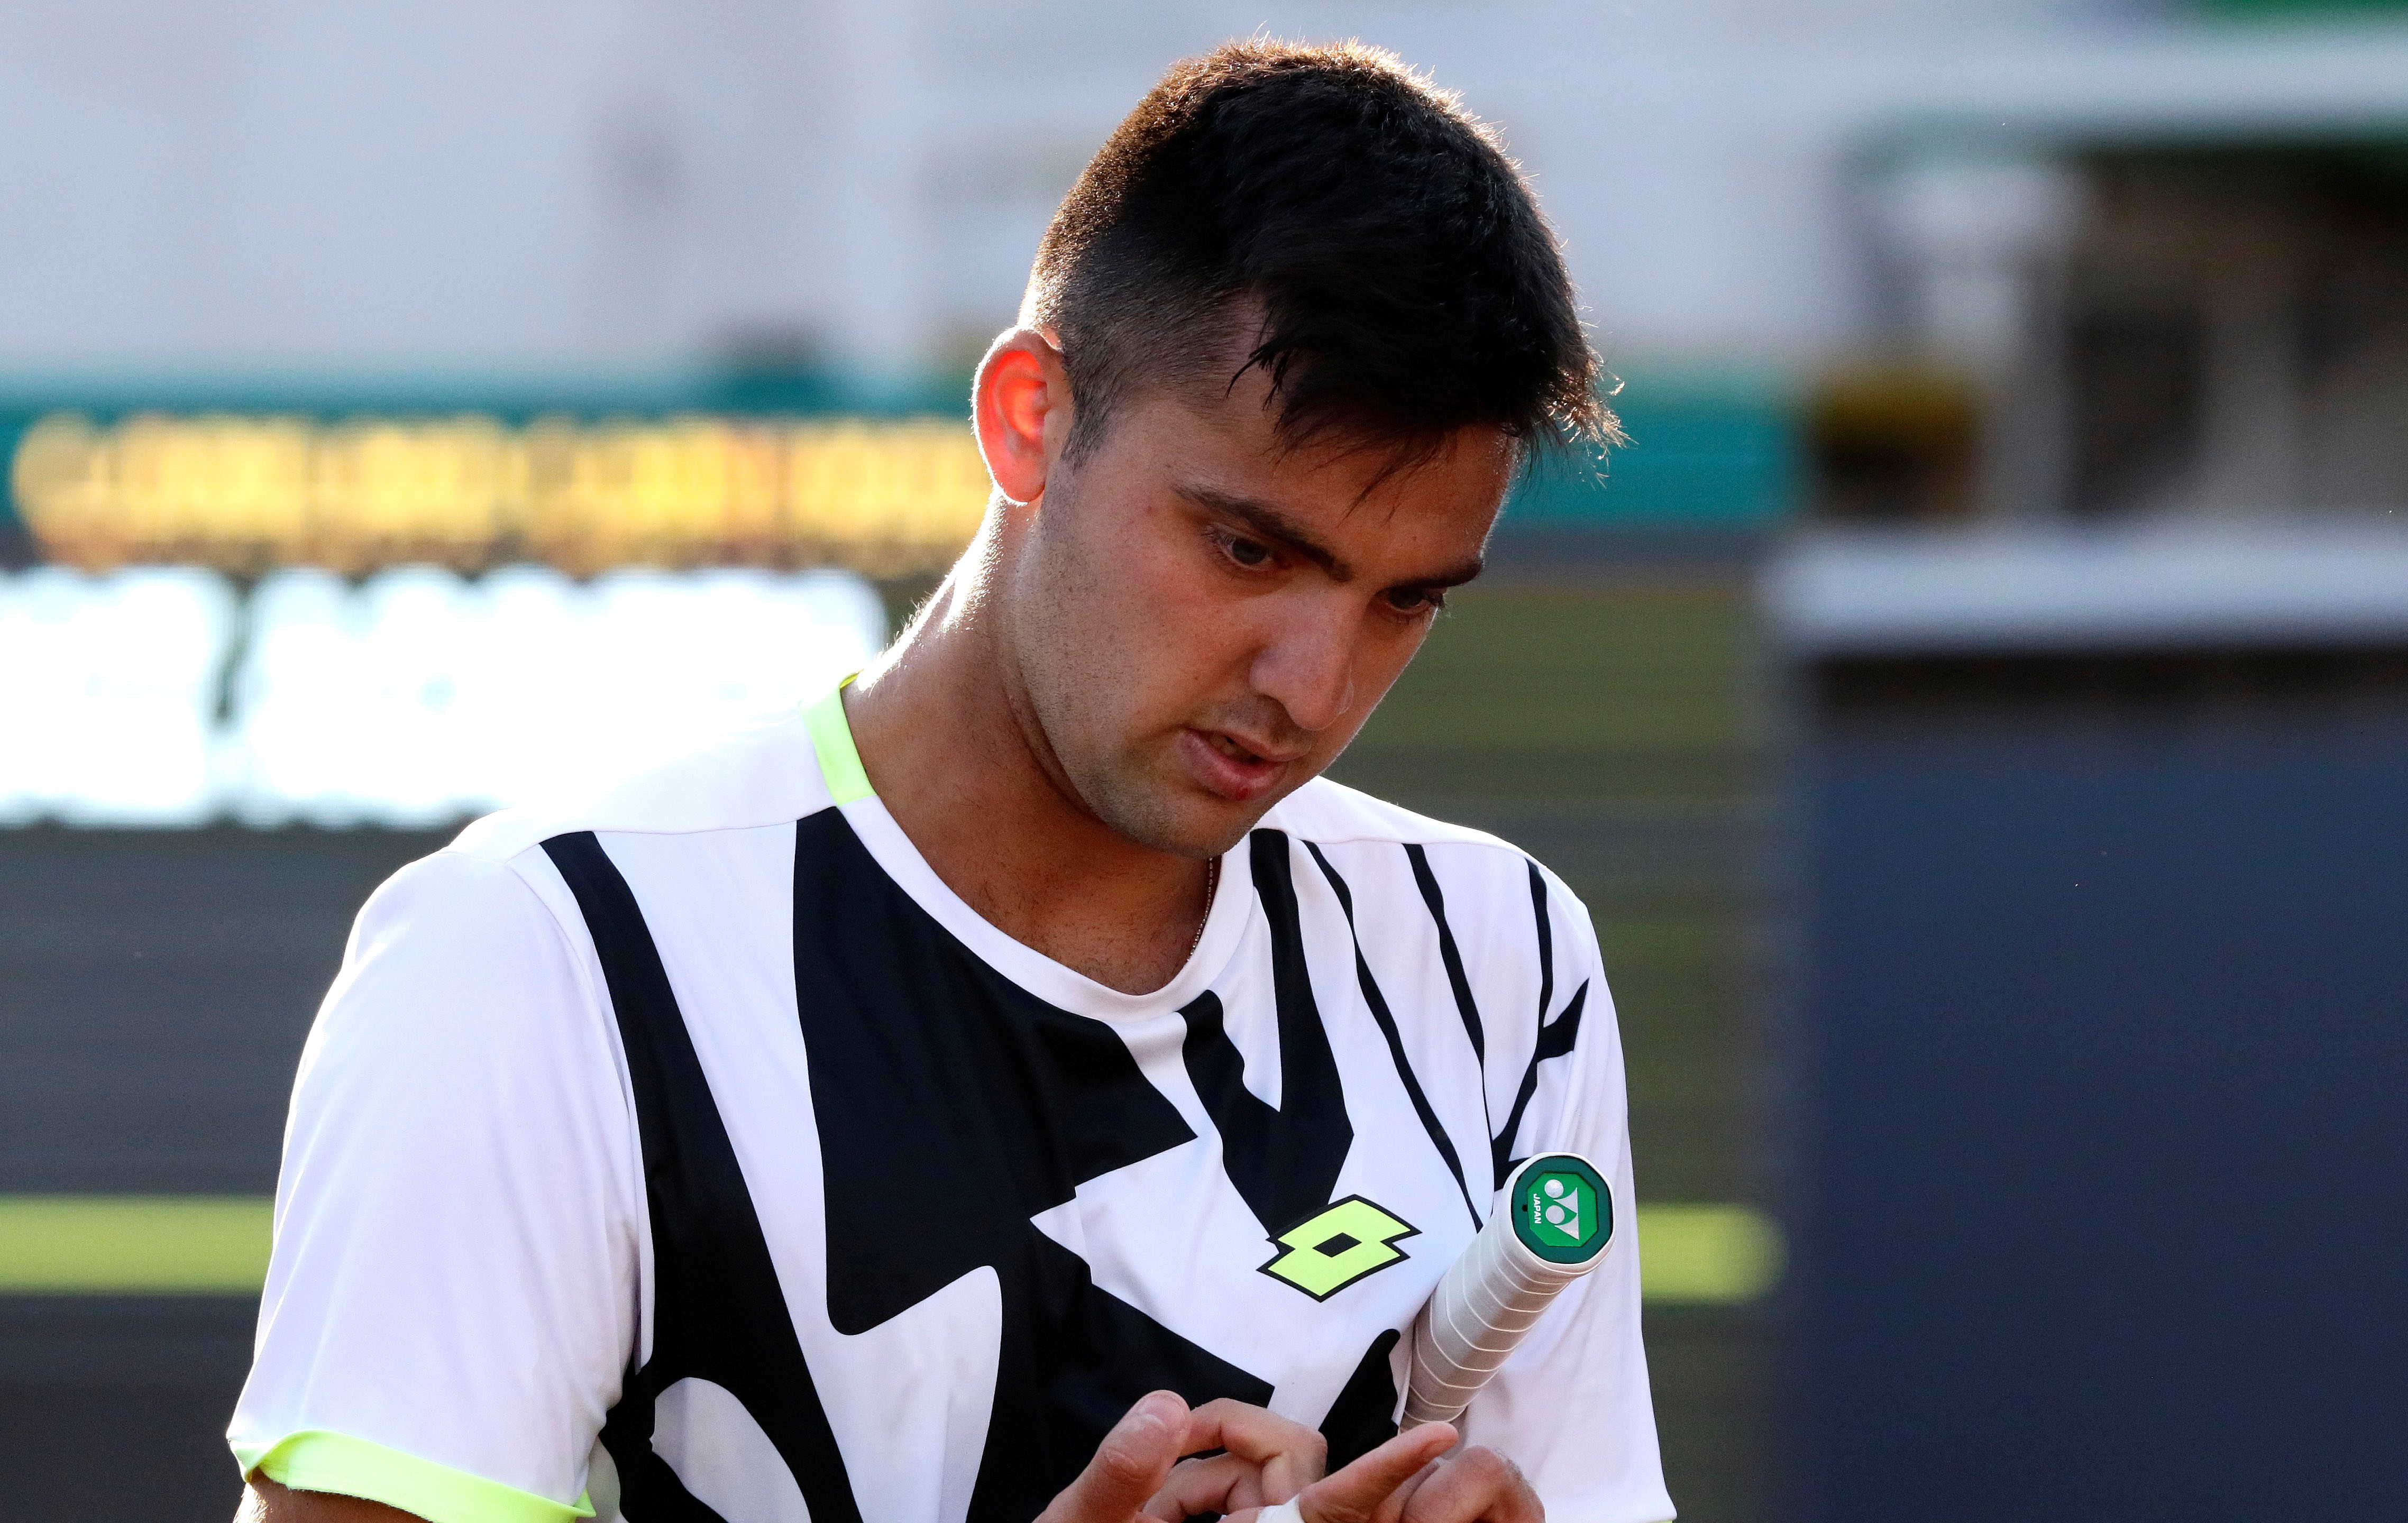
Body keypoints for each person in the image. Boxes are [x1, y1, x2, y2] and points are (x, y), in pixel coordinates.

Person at [229, 37, 1668, 1523]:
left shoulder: (1498, 956)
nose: (1313, 688)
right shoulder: (541, 954)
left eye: (1405, 600)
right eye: (1248, 550)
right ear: (1029, 419)